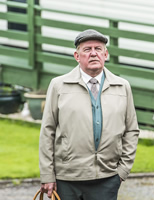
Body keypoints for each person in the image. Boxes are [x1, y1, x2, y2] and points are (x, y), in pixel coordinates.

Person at [39, 29, 140, 200]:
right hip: (67, 178)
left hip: (107, 178)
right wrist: (47, 175)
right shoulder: (58, 85)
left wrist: (122, 171)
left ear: (105, 54)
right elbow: (47, 131)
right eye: (87, 49)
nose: (93, 53)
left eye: (98, 49)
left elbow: (132, 130)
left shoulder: (122, 86)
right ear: (77, 56)